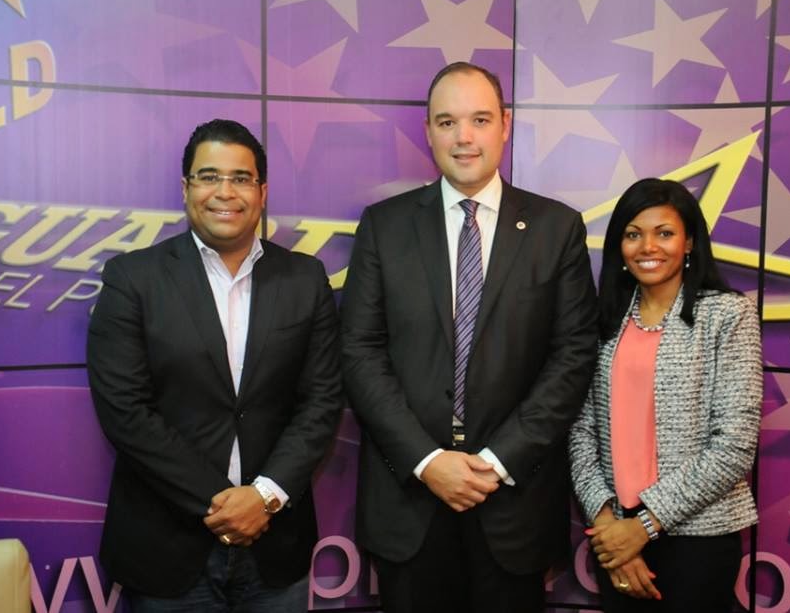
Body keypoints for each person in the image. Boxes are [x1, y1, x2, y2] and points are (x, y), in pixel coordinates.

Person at [340, 62, 598, 613]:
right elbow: (360, 352)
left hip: (513, 502)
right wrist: (427, 460)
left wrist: (497, 462)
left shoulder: (557, 229)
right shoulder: (384, 226)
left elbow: (573, 356)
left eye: (479, 119)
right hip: (410, 502)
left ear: (505, 124)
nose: (464, 137)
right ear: (428, 131)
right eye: (447, 122)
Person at [87, 119, 343, 611]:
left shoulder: (305, 278)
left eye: (241, 178)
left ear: (262, 192)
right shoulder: (133, 279)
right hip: (166, 549)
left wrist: (264, 497)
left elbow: (322, 401)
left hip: (276, 546)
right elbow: (125, 412)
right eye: (208, 177)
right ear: (186, 188)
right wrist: (226, 504)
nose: (225, 192)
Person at [568, 178, 762, 612]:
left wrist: (644, 527)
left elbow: (734, 445)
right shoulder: (602, 320)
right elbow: (580, 431)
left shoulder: (727, 314)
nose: (648, 247)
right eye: (633, 234)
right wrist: (609, 526)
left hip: (699, 540)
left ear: (689, 242)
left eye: (665, 233)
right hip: (615, 540)